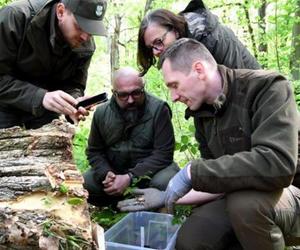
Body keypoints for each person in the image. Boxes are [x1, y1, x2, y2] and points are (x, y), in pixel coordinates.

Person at [118, 38, 300, 250]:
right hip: (239, 196)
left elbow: (278, 164)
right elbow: (219, 179)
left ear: (199, 70)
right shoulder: (202, 111)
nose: (174, 97)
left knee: (245, 206)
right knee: (192, 240)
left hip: (290, 193)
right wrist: (167, 196)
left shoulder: (267, 87)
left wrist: (191, 173)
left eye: (174, 85)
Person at [0, 0, 107, 129]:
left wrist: (73, 103)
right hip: (4, 106)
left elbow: (74, 84)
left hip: (45, 116)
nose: (85, 37)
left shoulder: (85, 46)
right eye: (80, 26)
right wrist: (40, 97)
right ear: (61, 12)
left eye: (91, 30)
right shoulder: (16, 17)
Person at [83, 67, 179, 206]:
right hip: (115, 171)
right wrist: (107, 174)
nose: (130, 100)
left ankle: (154, 211)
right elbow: (94, 151)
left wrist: (130, 177)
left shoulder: (158, 109)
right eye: (123, 95)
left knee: (167, 181)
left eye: (136, 93)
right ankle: (116, 206)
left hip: (150, 172)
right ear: (114, 93)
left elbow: (164, 154)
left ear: (143, 88)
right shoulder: (101, 113)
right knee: (85, 183)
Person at [137, 0, 261, 76]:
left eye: (158, 42)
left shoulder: (211, 40)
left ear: (175, 30)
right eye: (150, 48)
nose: (155, 52)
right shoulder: (179, 50)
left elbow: (237, 88)